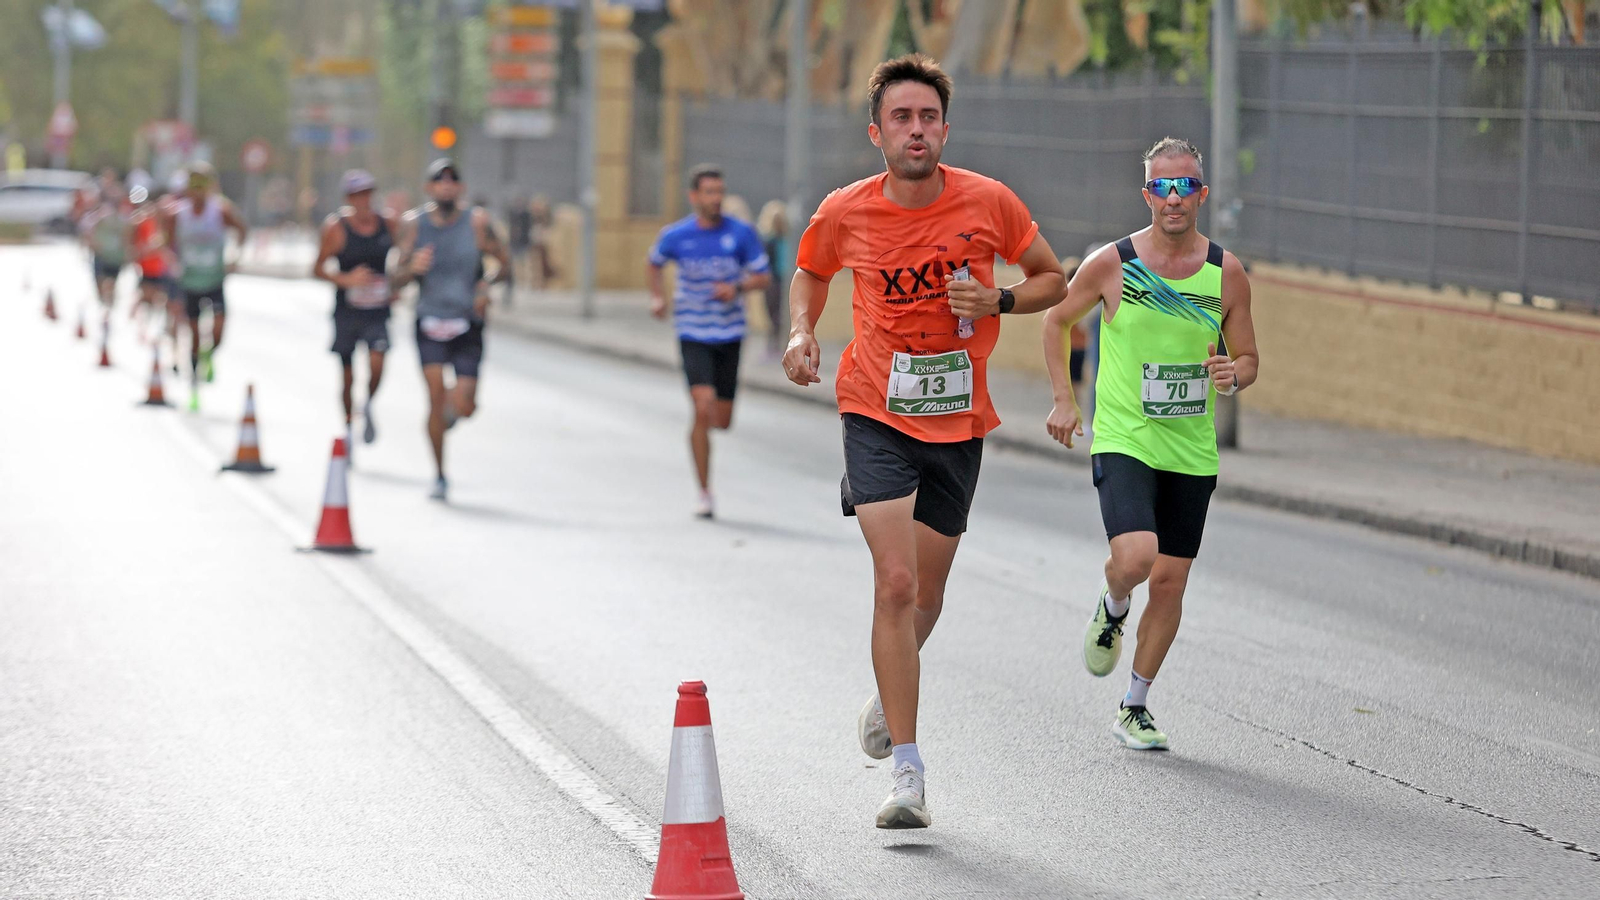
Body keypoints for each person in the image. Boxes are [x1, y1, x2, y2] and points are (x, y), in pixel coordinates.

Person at [782, 54, 1066, 828]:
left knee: (929, 596)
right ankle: (907, 772)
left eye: (928, 117)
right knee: (897, 584)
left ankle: (888, 688)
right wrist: (803, 332)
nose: (916, 129)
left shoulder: (990, 202)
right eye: (901, 118)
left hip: (957, 417)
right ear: (877, 133)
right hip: (874, 405)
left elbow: (1054, 280)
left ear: (946, 128)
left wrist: (1000, 296)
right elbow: (810, 271)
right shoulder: (847, 209)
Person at [1042, 137, 1259, 751]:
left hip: (1190, 447)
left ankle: (1134, 704)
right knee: (1137, 558)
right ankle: (1113, 603)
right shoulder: (1114, 263)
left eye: (1185, 185)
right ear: (1146, 195)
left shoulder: (1226, 273)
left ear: (1201, 193)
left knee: (1170, 581)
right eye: (1162, 187)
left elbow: (1248, 357)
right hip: (1125, 437)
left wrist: (1233, 375)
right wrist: (1064, 399)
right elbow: (1056, 319)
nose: (1173, 197)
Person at [647, 165, 772, 519]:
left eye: (720, 191)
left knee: (722, 419)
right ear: (694, 196)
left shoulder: (741, 234)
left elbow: (763, 277)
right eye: (709, 192)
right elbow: (654, 262)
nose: (715, 199)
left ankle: (709, 429)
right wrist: (658, 298)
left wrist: (738, 287)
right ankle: (704, 491)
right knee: (702, 408)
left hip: (730, 333)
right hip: (692, 332)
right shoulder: (677, 235)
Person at [391, 158, 510, 502]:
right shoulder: (413, 225)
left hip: (466, 322)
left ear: (461, 188)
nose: (446, 186)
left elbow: (504, 263)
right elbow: (394, 278)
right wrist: (412, 268)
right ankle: (440, 474)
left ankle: (450, 414)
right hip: (430, 319)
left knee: (467, 404)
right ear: (429, 188)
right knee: (434, 395)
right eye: (438, 181)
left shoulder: (477, 223)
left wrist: (485, 287)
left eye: (452, 181)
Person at [314, 170, 397, 451]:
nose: (364, 200)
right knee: (347, 376)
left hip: (377, 310)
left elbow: (404, 258)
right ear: (349, 198)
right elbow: (317, 268)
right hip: (347, 311)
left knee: (378, 361)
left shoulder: (388, 223)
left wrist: (397, 284)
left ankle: (369, 403)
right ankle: (348, 425)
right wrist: (346, 280)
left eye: (368, 194)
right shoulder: (336, 228)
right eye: (358, 195)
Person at [164, 161, 247, 402]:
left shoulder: (221, 210)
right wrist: (172, 260)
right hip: (190, 281)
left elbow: (242, 230)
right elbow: (167, 242)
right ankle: (193, 380)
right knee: (193, 333)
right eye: (194, 184)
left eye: (203, 184)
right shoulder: (176, 213)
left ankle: (209, 355)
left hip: (214, 279)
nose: (198, 190)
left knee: (219, 329)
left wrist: (235, 257)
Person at [82, 182, 131, 334]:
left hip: (115, 257)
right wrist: (92, 245)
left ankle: (109, 312)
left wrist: (127, 252)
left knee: (111, 284)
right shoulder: (101, 215)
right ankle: (104, 310)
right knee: (101, 284)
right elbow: (88, 229)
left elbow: (127, 236)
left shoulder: (125, 217)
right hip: (102, 255)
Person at [756, 199, 791, 360]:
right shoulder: (767, 241)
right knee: (773, 315)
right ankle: (773, 345)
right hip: (773, 282)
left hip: (786, 280)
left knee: (783, 314)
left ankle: (781, 345)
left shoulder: (788, 240)